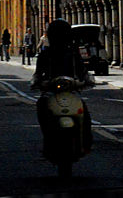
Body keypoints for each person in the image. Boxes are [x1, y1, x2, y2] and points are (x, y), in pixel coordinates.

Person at [30, 19, 92, 153]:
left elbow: (82, 71)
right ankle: (51, 138)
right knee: (43, 106)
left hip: (69, 90)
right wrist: (39, 82)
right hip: (54, 91)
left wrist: (86, 79)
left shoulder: (69, 53)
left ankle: (85, 141)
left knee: (82, 111)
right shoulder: (51, 54)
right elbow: (38, 74)